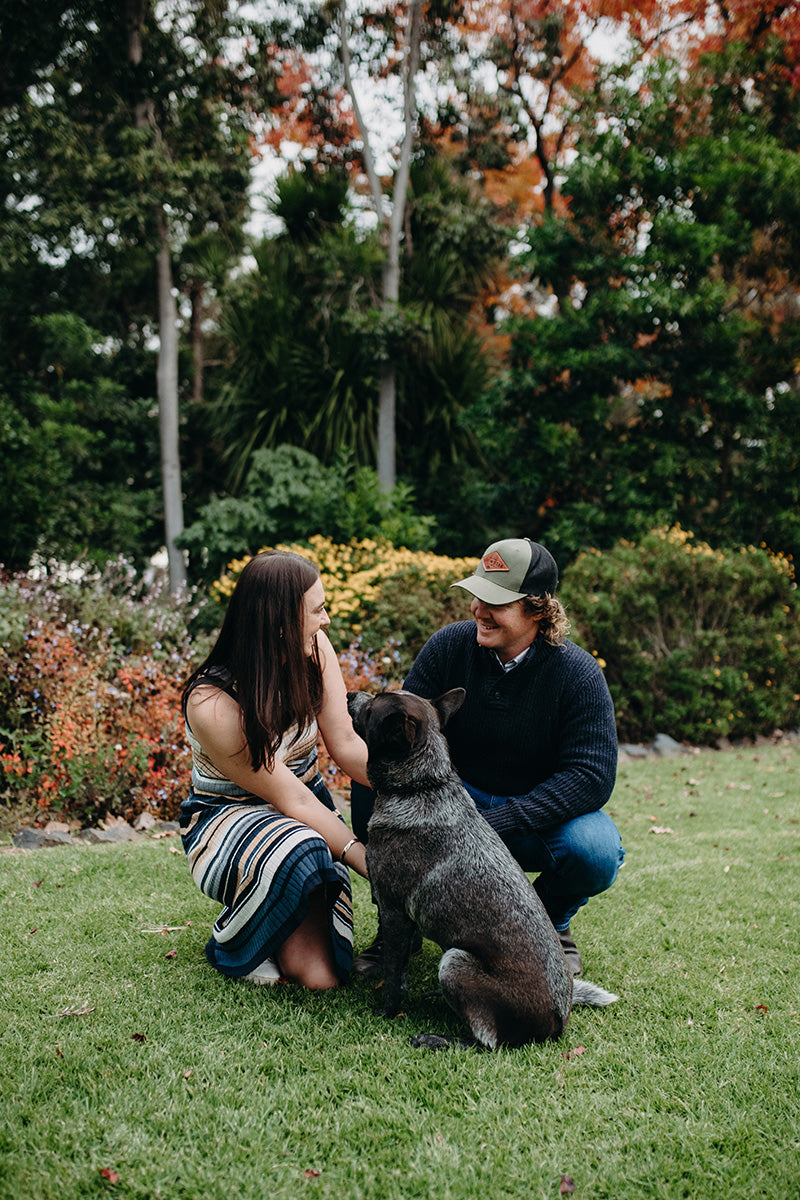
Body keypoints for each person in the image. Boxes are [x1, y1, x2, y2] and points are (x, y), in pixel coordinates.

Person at [351, 537, 623, 978]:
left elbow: (591, 777)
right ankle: (398, 926)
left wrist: (507, 818)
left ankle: (548, 924)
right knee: (372, 792)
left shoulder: (579, 675)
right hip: (454, 803)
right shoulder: (448, 647)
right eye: (477, 594)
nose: (478, 609)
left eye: (495, 601)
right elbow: (398, 732)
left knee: (595, 850)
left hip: (535, 817)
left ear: (537, 611)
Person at [180, 549, 369, 991]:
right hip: (228, 820)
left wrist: (420, 785)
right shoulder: (212, 703)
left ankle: (272, 921)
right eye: (318, 610)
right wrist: (371, 862)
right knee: (303, 845)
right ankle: (232, 938)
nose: (326, 621)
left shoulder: (315, 649)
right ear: (280, 620)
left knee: (322, 978)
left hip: (306, 814)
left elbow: (345, 744)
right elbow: (291, 799)